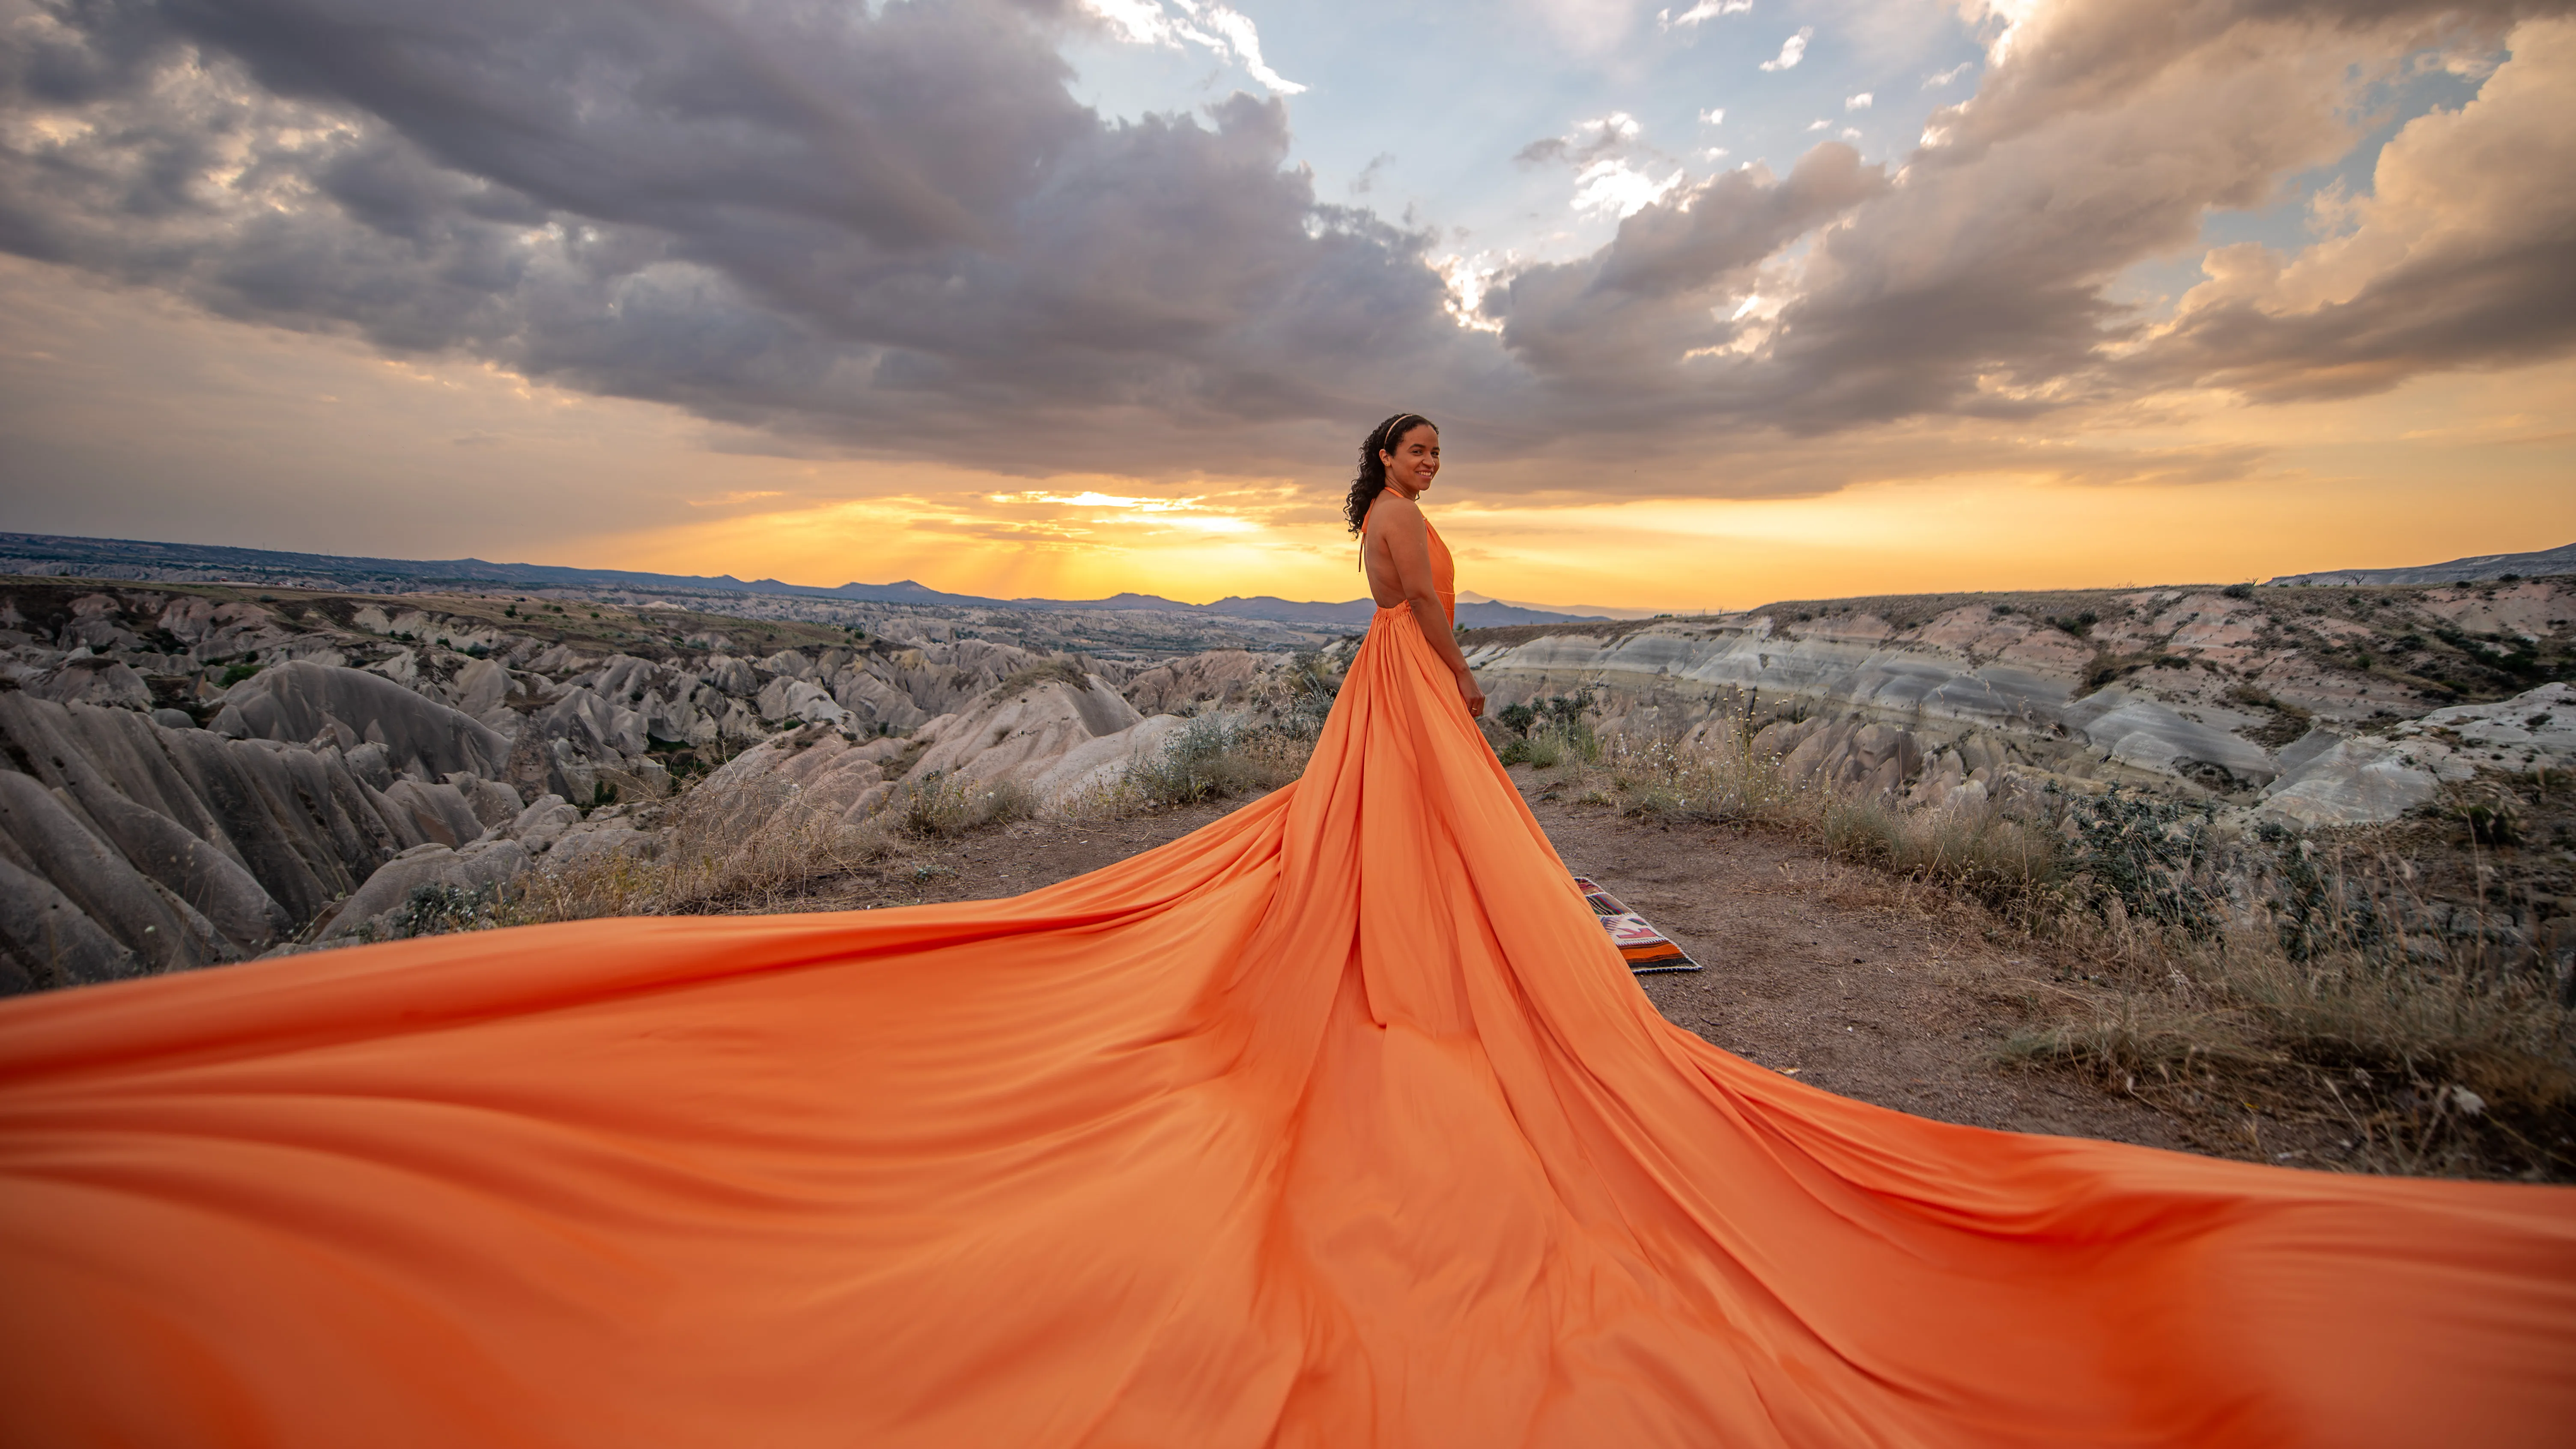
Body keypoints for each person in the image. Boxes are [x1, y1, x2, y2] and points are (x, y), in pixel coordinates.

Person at [0, 414, 2570, 1446]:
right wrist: (1458, 661)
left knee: (1388, 877)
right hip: (1415, 715)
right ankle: (1453, 998)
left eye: (1439, 450)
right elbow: (1433, 637)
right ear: (1389, 470)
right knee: (1414, 891)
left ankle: (1442, 974)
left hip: (1396, 719)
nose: (1435, 468)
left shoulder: (1384, 536)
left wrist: (1447, 665)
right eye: (1420, 446)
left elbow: (1421, 631)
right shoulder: (1402, 551)